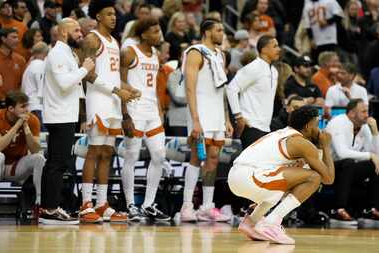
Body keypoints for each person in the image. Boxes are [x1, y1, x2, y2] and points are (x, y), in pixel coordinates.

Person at [228, 105, 335, 244]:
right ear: (308, 126)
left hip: (236, 176)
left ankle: (251, 222)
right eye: (317, 124)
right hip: (251, 177)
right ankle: (271, 223)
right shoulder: (302, 143)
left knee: (291, 181)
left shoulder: (282, 133)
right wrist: (326, 146)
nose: (319, 129)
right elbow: (328, 178)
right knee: (314, 177)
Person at [78, 0, 140, 224]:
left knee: (107, 153)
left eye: (115, 14)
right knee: (94, 151)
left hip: (113, 101)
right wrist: (116, 90)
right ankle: (86, 204)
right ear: (98, 17)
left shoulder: (114, 41)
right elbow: (87, 74)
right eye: (109, 14)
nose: (114, 17)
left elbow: (112, 75)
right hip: (97, 100)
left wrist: (127, 88)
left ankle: (102, 203)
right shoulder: (92, 39)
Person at [39, 18, 95, 225]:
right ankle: (50, 209)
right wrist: (85, 68)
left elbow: (75, 89)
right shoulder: (57, 54)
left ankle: (47, 207)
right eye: (77, 30)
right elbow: (64, 84)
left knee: (55, 162)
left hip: (65, 115)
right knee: (58, 164)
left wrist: (81, 117)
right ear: (63, 33)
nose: (81, 34)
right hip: (59, 115)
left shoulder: (66, 53)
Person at [179, 19, 233, 222]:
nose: (222, 34)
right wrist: (195, 120)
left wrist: (227, 118)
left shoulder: (221, 55)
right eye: (219, 30)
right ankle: (186, 206)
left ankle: (207, 206)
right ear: (207, 32)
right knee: (196, 157)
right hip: (199, 111)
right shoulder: (196, 52)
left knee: (213, 159)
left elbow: (222, 90)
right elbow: (190, 88)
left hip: (217, 113)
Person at [120, 17, 171, 222]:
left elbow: (155, 87)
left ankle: (149, 204)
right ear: (143, 34)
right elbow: (119, 81)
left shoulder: (156, 55)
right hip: (134, 109)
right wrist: (125, 115)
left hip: (151, 111)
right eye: (155, 31)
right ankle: (131, 204)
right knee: (131, 156)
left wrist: (159, 108)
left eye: (159, 31)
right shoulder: (129, 52)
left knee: (159, 155)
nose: (159, 35)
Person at [325, 99, 379, 227]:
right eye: (364, 111)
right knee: (348, 163)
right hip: (328, 167)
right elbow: (341, 153)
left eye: (368, 111)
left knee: (376, 165)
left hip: (348, 169)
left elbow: (376, 154)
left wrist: (375, 133)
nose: (368, 115)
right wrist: (370, 155)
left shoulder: (365, 127)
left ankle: (370, 209)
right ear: (352, 113)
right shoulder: (338, 122)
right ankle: (338, 210)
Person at [226, 35, 281, 149]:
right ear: (264, 49)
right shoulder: (254, 67)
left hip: (265, 127)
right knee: (250, 165)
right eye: (275, 46)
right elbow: (231, 89)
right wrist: (238, 116)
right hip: (251, 126)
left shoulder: (274, 71)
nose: (279, 49)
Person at [0, 91, 44, 206]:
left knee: (39, 158)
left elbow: (35, 150)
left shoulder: (32, 120)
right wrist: (17, 125)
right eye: (23, 106)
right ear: (10, 109)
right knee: (0, 156)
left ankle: (39, 201)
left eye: (27, 105)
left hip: (17, 166)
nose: (27, 110)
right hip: (0, 164)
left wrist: (26, 127)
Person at [21, 41, 49, 128]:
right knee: (42, 138)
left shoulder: (30, 66)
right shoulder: (39, 65)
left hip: (31, 106)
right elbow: (42, 87)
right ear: (45, 53)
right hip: (37, 107)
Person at [0, 28, 26, 106]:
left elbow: (22, 84)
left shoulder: (20, 60)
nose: (17, 40)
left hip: (14, 104)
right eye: (14, 37)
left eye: (17, 37)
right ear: (3, 39)